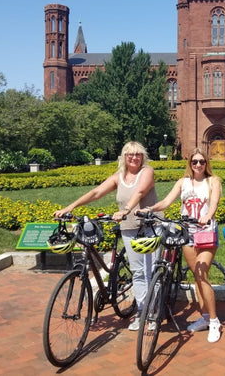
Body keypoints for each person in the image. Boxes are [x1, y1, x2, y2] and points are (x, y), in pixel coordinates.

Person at [54, 141, 157, 331]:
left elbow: (141, 191)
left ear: (143, 157)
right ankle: (142, 312)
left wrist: (126, 209)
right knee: (138, 272)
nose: (134, 157)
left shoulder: (147, 171)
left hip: (150, 227)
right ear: (124, 157)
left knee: (149, 271)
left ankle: (153, 314)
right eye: (130, 154)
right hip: (128, 227)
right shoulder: (119, 177)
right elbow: (96, 192)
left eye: (138, 154)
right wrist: (70, 207)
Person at [139, 148, 222, 343]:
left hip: (206, 232)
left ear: (207, 163)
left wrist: (207, 216)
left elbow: (214, 203)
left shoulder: (213, 181)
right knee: (196, 276)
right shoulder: (183, 182)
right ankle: (204, 318)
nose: (198, 165)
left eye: (202, 161)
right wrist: (149, 209)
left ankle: (215, 321)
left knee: (202, 275)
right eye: (195, 162)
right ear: (190, 164)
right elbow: (167, 202)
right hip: (187, 234)